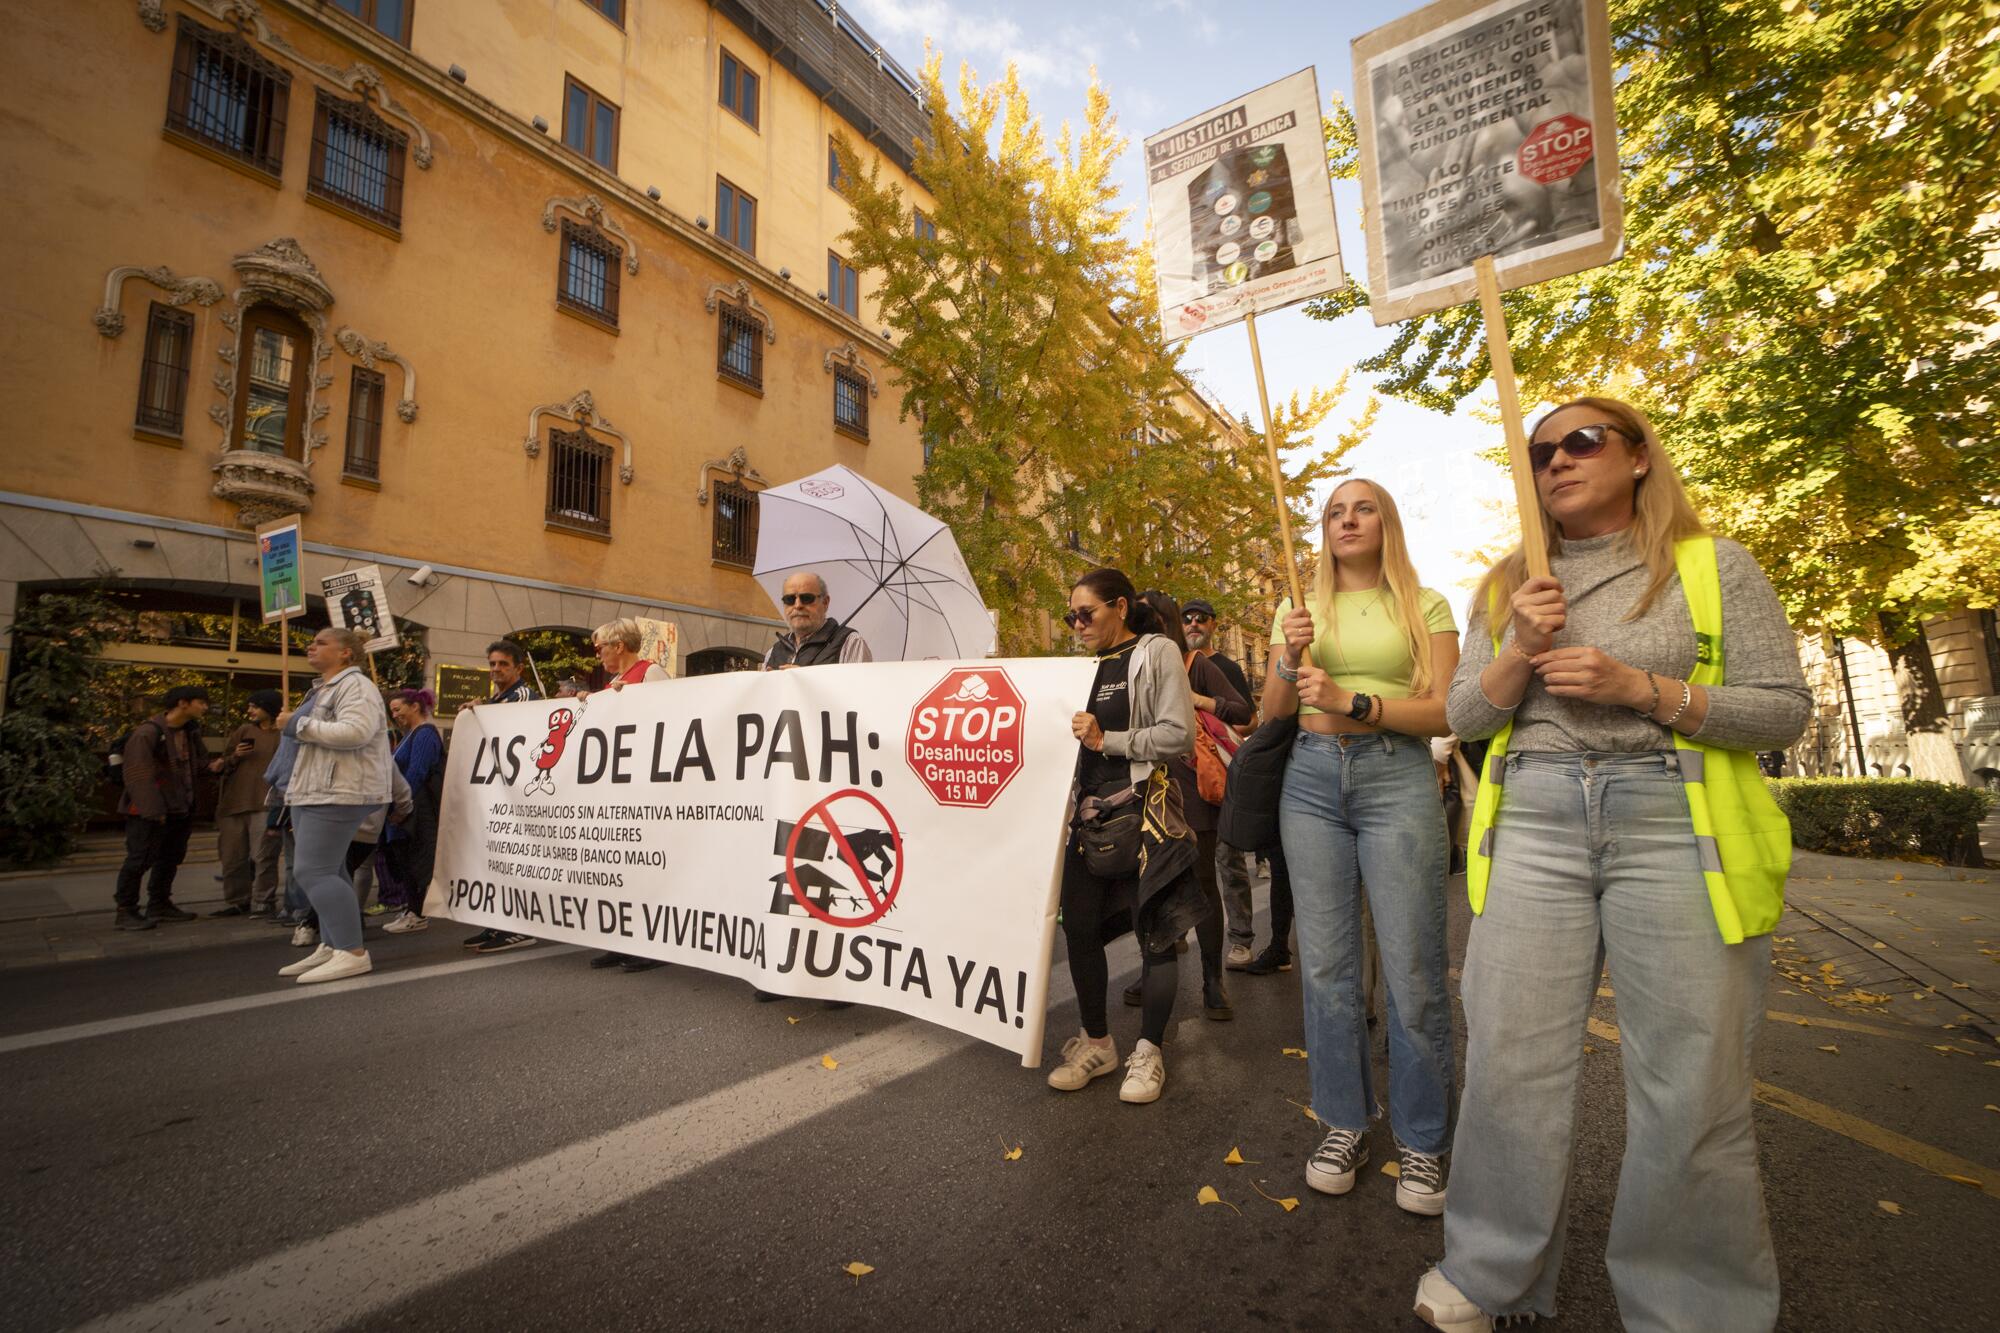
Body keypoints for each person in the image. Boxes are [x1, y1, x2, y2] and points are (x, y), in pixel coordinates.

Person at [1412, 398, 1810, 1333]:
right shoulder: (1507, 583)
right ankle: (1489, 1271)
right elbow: (1466, 715)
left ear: (1638, 457)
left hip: (1673, 818)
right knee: (1510, 1060)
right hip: (1538, 822)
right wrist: (1520, 646)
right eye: (1540, 449)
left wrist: (1645, 689)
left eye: (1581, 440)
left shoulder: (1713, 566)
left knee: (1691, 1078)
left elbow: (1783, 709)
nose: (1556, 459)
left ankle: (1692, 1306)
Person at [1267, 478, 1461, 1214]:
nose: (1347, 520)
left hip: (1396, 774)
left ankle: (1423, 1135)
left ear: (1387, 522)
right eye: (1335, 511)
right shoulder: (1300, 605)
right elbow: (1272, 713)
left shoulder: (1425, 602)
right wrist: (1288, 659)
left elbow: (1447, 707)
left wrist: (1358, 702)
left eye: (1363, 507)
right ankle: (1343, 1121)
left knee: (1412, 965)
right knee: (1326, 968)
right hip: (1309, 782)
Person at [1044, 568, 1201, 1104]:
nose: (1077, 623)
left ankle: (1149, 1053)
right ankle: (1098, 1043)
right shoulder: (1080, 666)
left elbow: (1180, 734)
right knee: (1080, 930)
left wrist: (1108, 738)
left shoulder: (1154, 653)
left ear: (1120, 606)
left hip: (1144, 817)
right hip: (1087, 824)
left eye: (1086, 613)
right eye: (1071, 616)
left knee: (1154, 934)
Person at [1137, 590, 1250, 1020]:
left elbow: (1243, 712)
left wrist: (1200, 699)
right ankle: (1153, 970)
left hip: (1195, 793)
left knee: (1203, 883)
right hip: (1149, 791)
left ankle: (1212, 980)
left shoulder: (1194, 665)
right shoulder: (1132, 665)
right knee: (1151, 886)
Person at [271, 627, 394, 985]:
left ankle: (352, 952)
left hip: (339, 791)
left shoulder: (356, 686)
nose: (312, 645)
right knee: (331, 869)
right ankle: (333, 943)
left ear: (346, 654)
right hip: (315, 790)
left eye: (322, 641)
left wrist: (298, 723)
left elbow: (356, 733)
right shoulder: (326, 688)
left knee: (313, 871)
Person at [585, 619, 670, 972]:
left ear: (619, 645)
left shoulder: (651, 674)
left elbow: (670, 719)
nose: (598, 653)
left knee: (643, 870)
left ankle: (652, 945)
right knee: (620, 868)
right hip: (618, 789)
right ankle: (621, 939)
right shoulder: (614, 683)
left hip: (645, 789)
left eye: (601, 646)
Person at [1183, 597, 1263, 969]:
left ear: (1214, 624)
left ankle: (1241, 939)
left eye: (1201, 619)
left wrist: (1208, 711)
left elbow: (1249, 720)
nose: (1193, 624)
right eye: (1187, 619)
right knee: (1185, 861)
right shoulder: (1175, 664)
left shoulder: (1225, 666)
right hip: (1186, 778)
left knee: (1227, 860)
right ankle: (1180, 931)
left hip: (1223, 774)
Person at [460, 640, 540, 952]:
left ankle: (519, 927)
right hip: (498, 793)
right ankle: (496, 924)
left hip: (517, 796)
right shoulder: (497, 698)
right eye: (492, 664)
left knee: (513, 861)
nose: (495, 670)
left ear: (518, 668)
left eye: (503, 664)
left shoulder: (520, 695)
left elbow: (508, 726)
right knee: (496, 862)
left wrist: (480, 711)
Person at [113, 684, 211, 930]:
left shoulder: (190, 733)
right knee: (139, 859)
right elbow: (138, 773)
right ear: (183, 703)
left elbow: (198, 766)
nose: (205, 707)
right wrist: (152, 810)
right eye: (201, 702)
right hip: (151, 811)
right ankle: (126, 910)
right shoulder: (148, 732)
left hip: (180, 808)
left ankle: (159, 903)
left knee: (170, 858)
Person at [206, 689, 283, 917]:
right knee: (232, 856)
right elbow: (223, 764)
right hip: (235, 803)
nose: (250, 710)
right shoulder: (243, 731)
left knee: (263, 856)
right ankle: (238, 900)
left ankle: (263, 901)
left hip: (265, 803)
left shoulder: (282, 735)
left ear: (268, 708)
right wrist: (235, 756)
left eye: (255, 706)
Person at [380, 689, 444, 935]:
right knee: (404, 860)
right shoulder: (408, 736)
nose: (395, 715)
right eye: (392, 711)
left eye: (398, 709)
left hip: (416, 811)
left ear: (415, 706)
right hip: (406, 809)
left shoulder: (425, 734)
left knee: (415, 860)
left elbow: (417, 771)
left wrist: (400, 804)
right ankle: (412, 908)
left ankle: (418, 913)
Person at [762, 572, 872, 668]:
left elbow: (859, 690)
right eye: (789, 599)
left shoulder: (851, 644)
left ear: (825, 602)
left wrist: (806, 680)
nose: (798, 605)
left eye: (807, 598)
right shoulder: (774, 651)